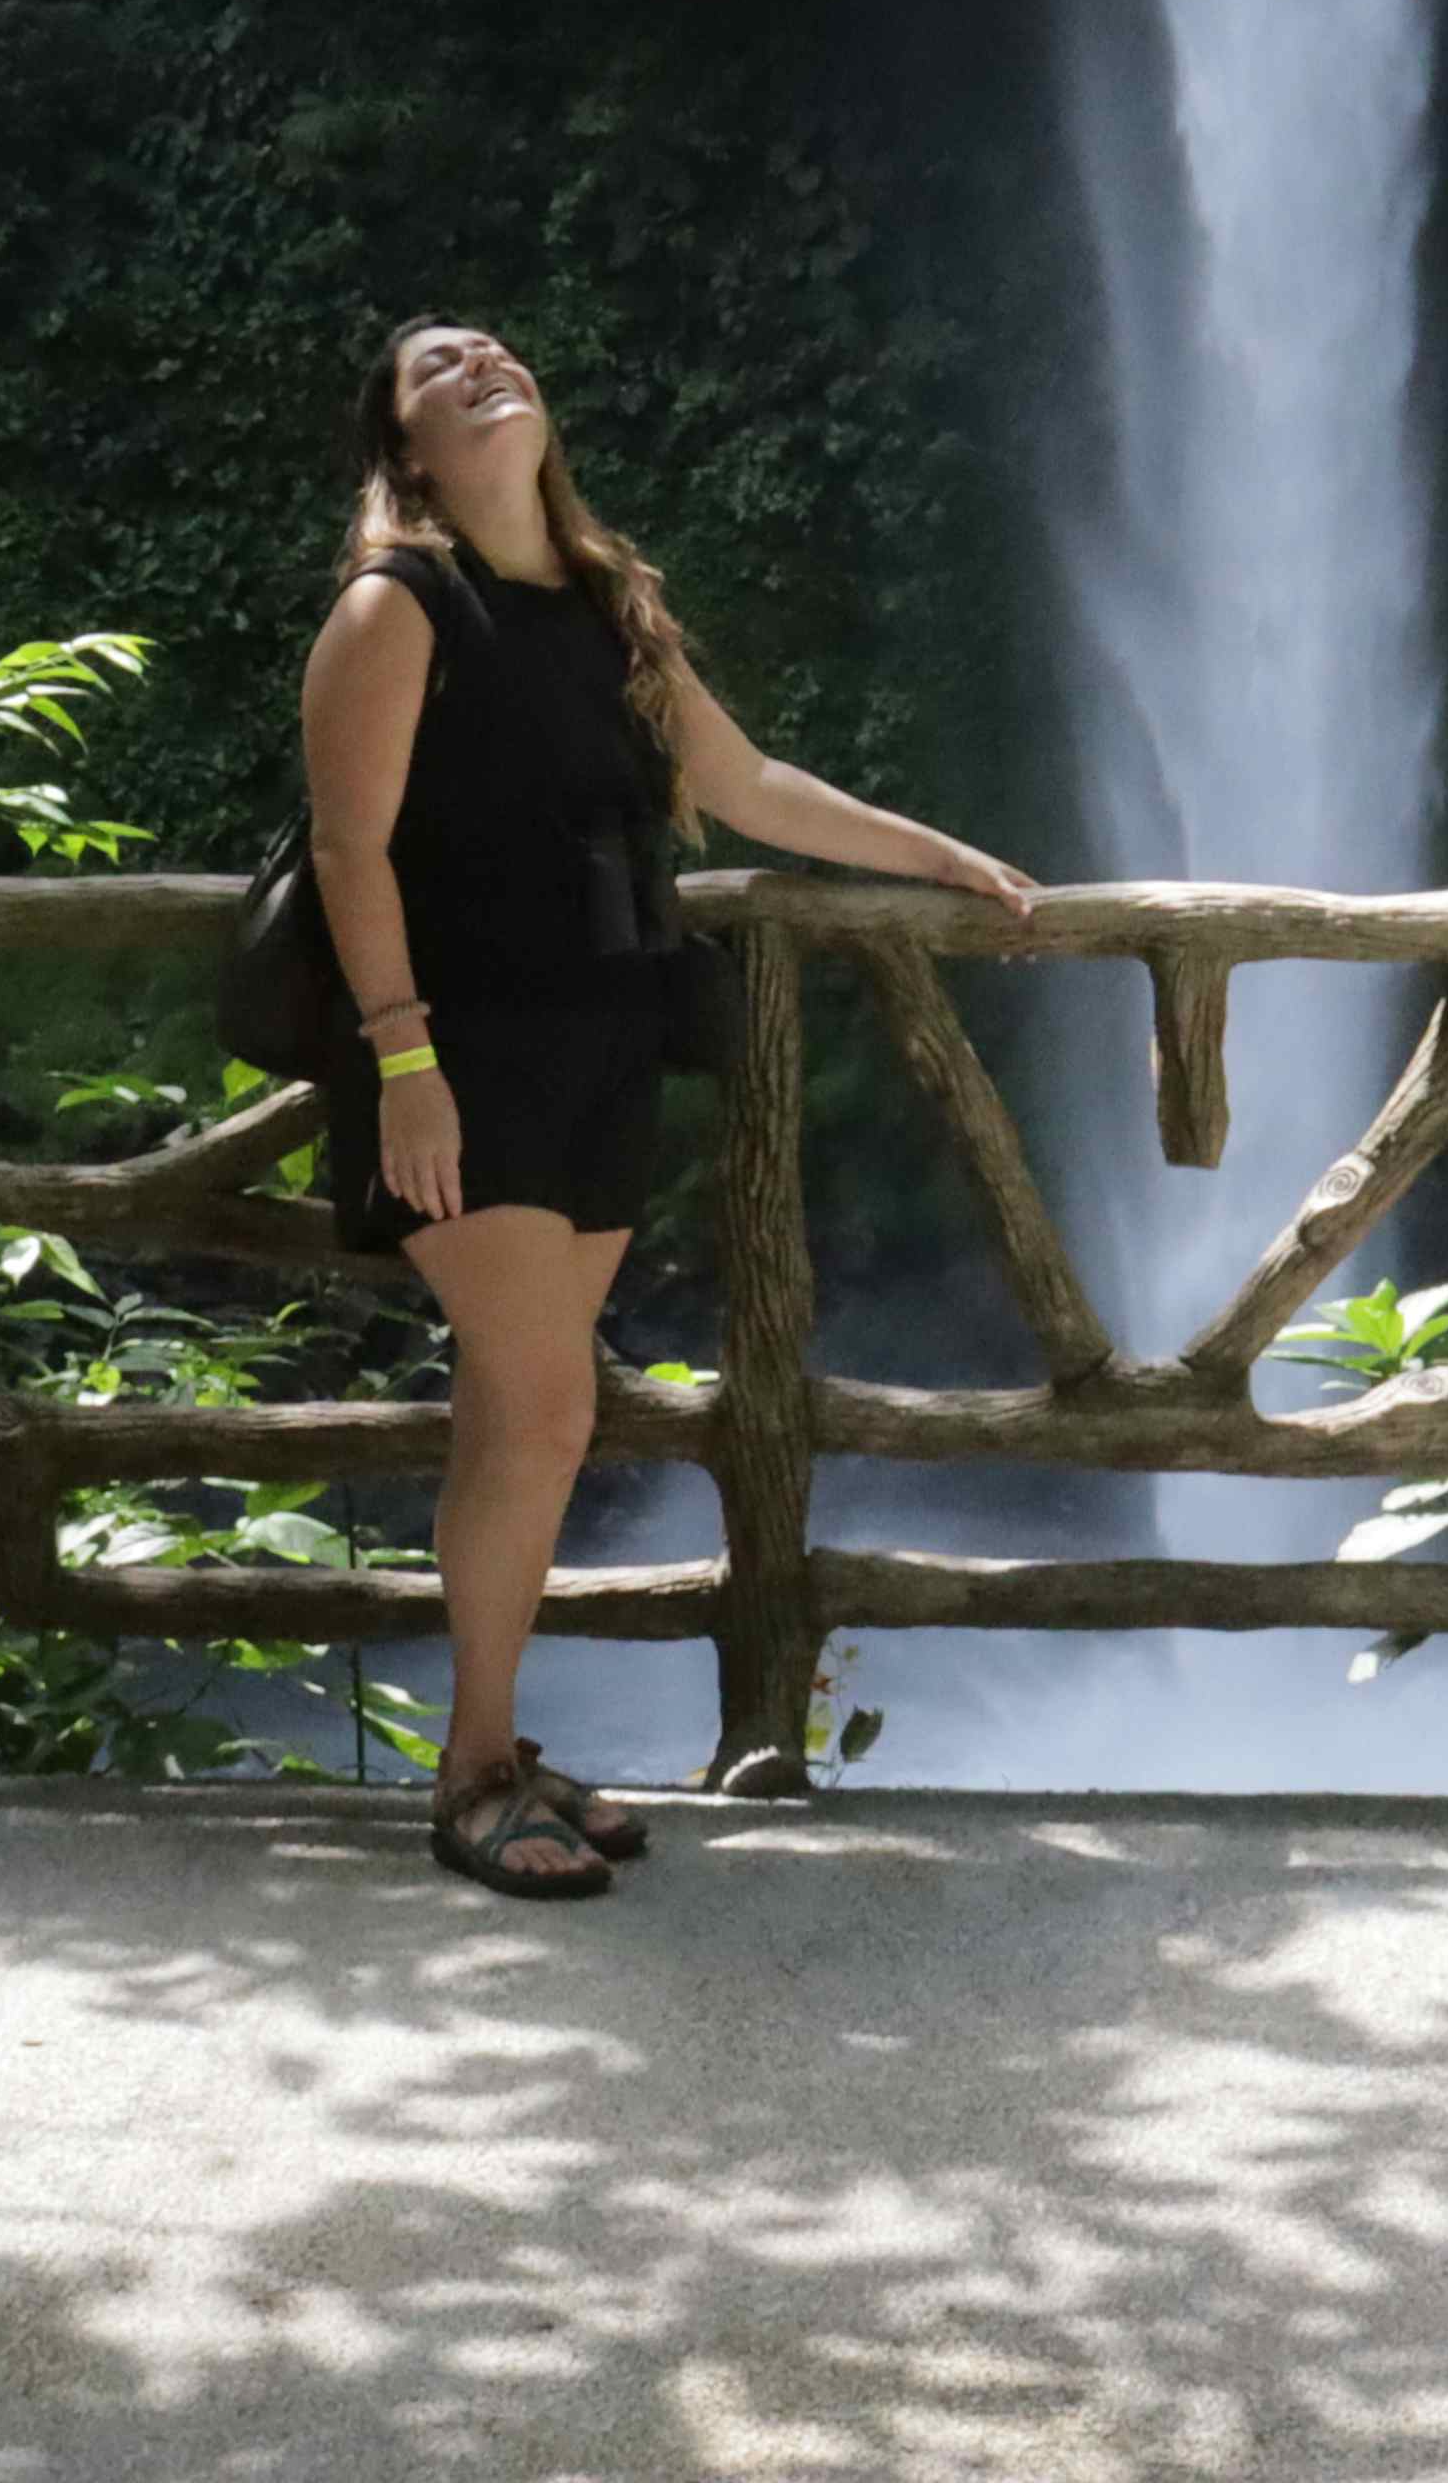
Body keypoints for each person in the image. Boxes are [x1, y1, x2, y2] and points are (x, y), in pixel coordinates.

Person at [303, 313, 1035, 1898]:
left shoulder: (609, 609)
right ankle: (472, 1774)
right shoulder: (396, 605)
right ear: (407, 453)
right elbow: (351, 848)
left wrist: (938, 855)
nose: (480, 368)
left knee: (522, 1418)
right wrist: (405, 1063)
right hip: (461, 1063)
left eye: (496, 352)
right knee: (550, 1412)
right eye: (438, 370)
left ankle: (499, 1749)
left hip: (602, 1050)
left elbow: (754, 786)